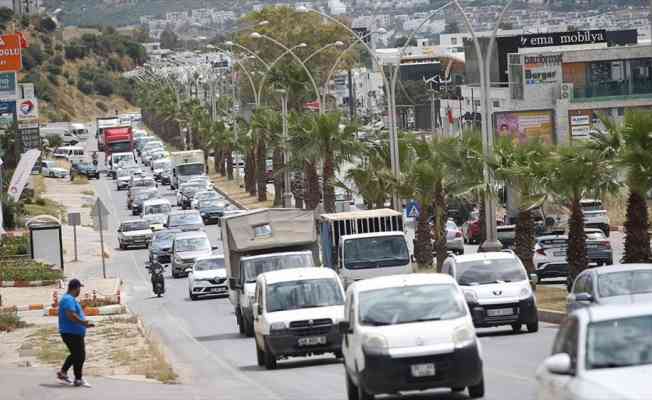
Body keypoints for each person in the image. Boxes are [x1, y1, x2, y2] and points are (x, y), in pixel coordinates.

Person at [57, 279, 94, 387]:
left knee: (76, 354)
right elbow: (70, 315)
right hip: (71, 332)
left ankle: (63, 373)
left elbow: (74, 312)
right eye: (79, 288)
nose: (80, 291)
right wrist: (83, 323)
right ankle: (78, 379)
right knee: (80, 355)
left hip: (72, 332)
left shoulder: (70, 299)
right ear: (76, 288)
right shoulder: (68, 299)